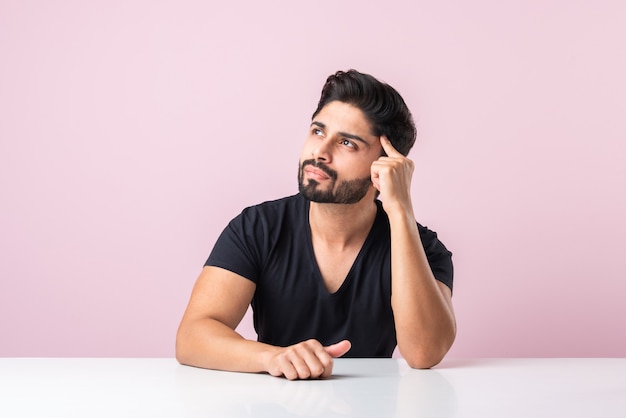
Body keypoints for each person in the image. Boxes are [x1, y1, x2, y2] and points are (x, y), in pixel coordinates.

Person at [176, 69, 456, 380]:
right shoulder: (256, 228)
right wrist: (276, 357)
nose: (320, 152)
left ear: (386, 166)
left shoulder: (423, 249)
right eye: (318, 131)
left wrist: (400, 209)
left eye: (347, 143)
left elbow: (424, 353)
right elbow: (192, 337)